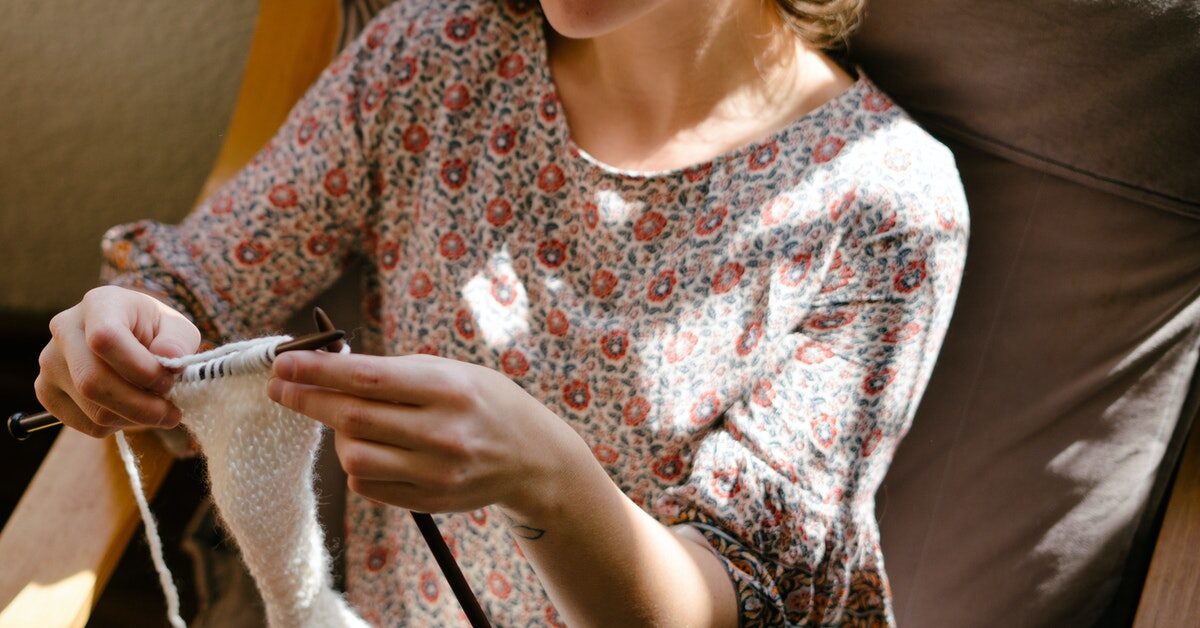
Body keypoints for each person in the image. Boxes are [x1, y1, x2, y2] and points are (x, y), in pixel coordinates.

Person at [33, 0, 968, 625]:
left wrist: (545, 477)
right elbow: (196, 286)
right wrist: (121, 334)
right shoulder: (435, 62)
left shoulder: (882, 207)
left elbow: (735, 598)